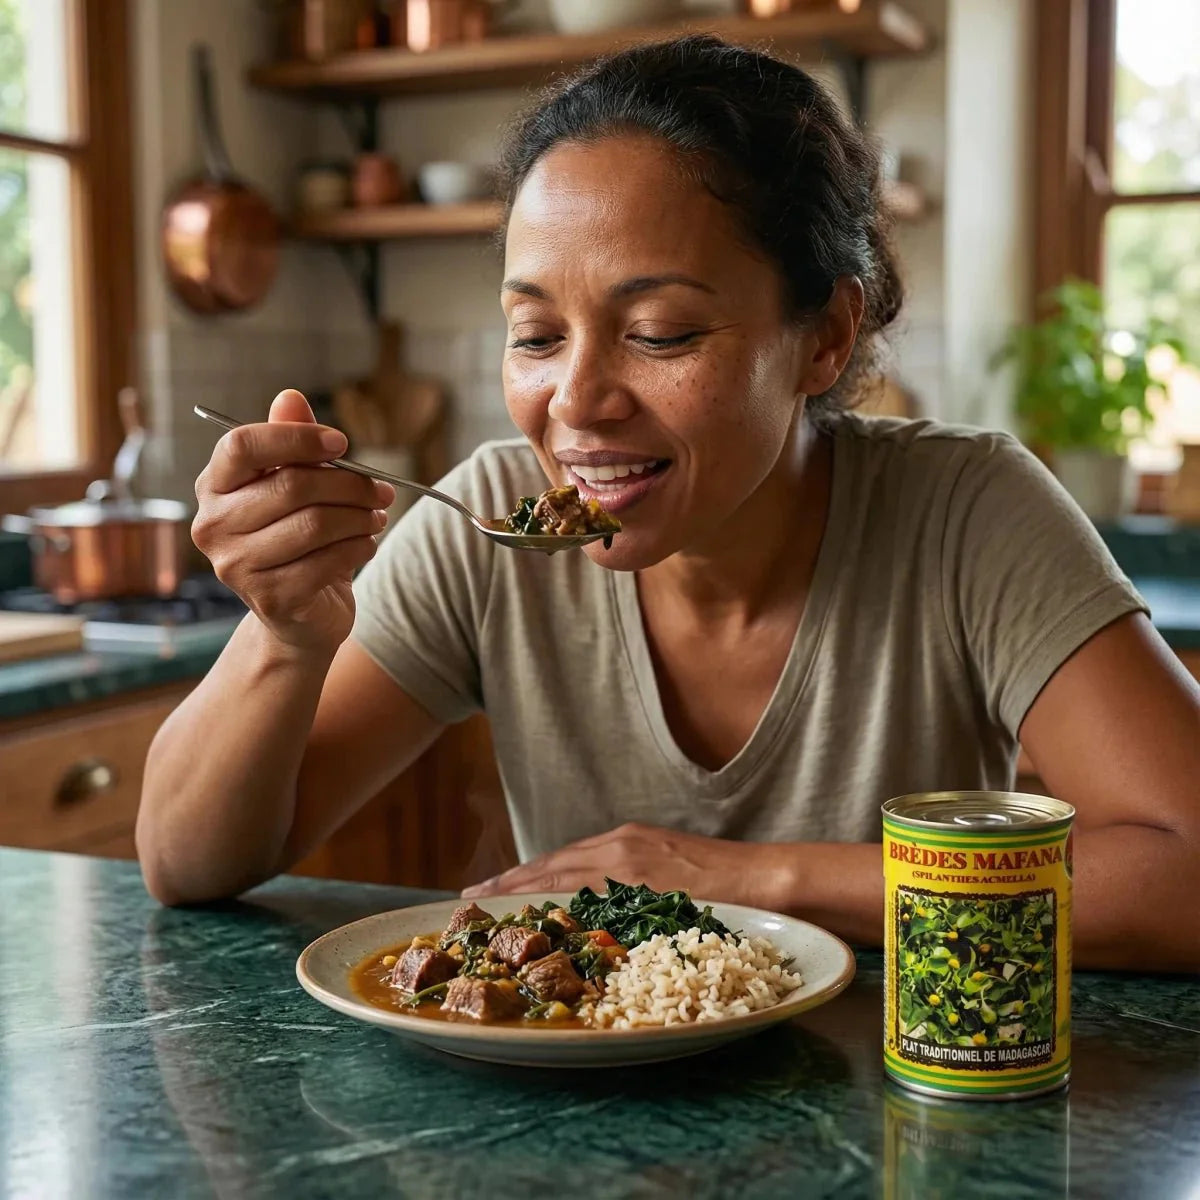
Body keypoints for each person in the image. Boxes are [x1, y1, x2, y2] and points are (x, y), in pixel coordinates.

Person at [137, 36, 1200, 970]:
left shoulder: (968, 512)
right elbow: (186, 861)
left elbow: (1186, 868)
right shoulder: (489, 524)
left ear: (824, 338)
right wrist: (283, 638)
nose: (578, 402)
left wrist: (751, 879)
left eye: (661, 334)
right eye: (536, 336)